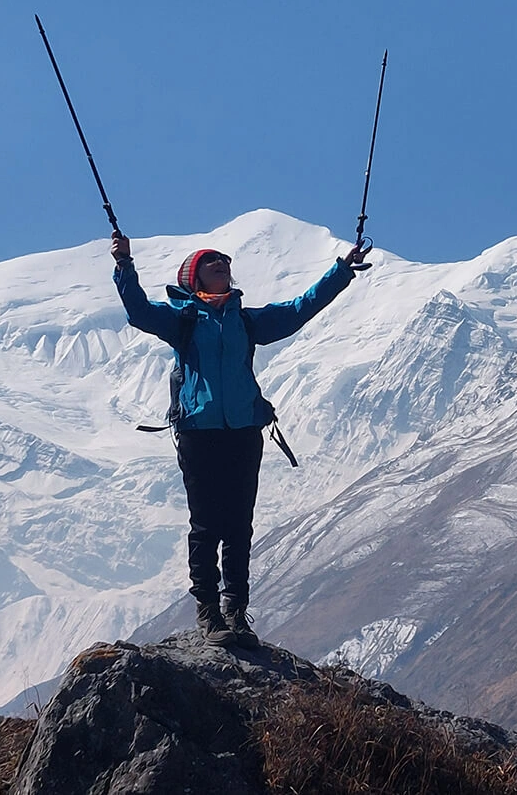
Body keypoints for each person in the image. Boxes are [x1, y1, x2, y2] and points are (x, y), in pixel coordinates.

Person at [111, 232, 370, 648]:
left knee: (237, 526)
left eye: (226, 262)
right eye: (213, 262)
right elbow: (138, 311)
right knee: (206, 525)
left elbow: (299, 309)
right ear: (194, 278)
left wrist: (341, 271)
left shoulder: (246, 320)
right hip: (198, 433)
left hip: (244, 432)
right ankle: (209, 613)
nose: (223, 264)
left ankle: (234, 611)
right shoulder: (183, 320)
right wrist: (124, 265)